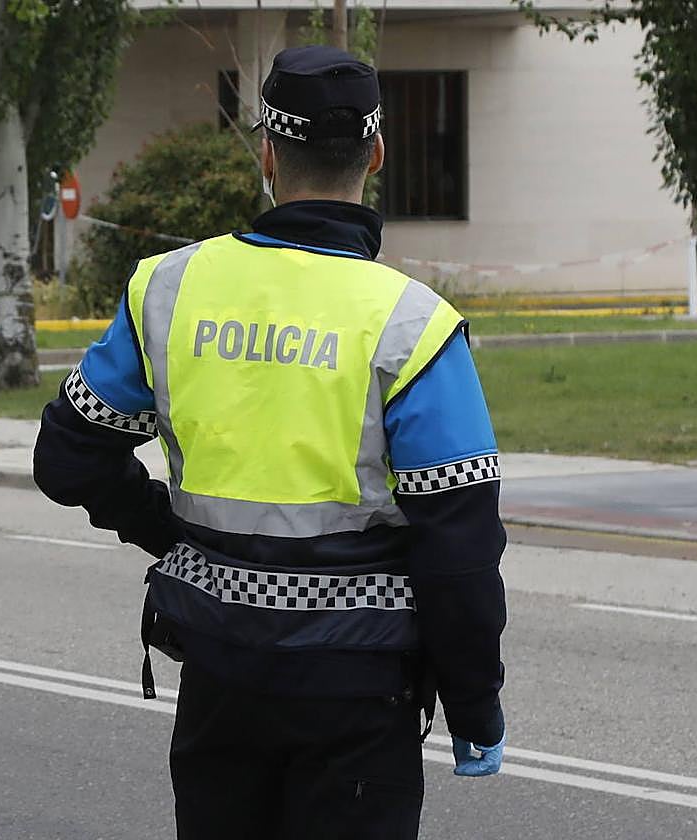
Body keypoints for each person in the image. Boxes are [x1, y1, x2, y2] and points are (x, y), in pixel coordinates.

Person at [33, 45, 507, 840]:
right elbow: (458, 546)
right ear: (377, 153)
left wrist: (173, 531)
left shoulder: (169, 288)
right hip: (357, 696)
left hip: (220, 678)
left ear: (267, 156)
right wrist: (474, 707)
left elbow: (68, 457)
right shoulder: (414, 326)